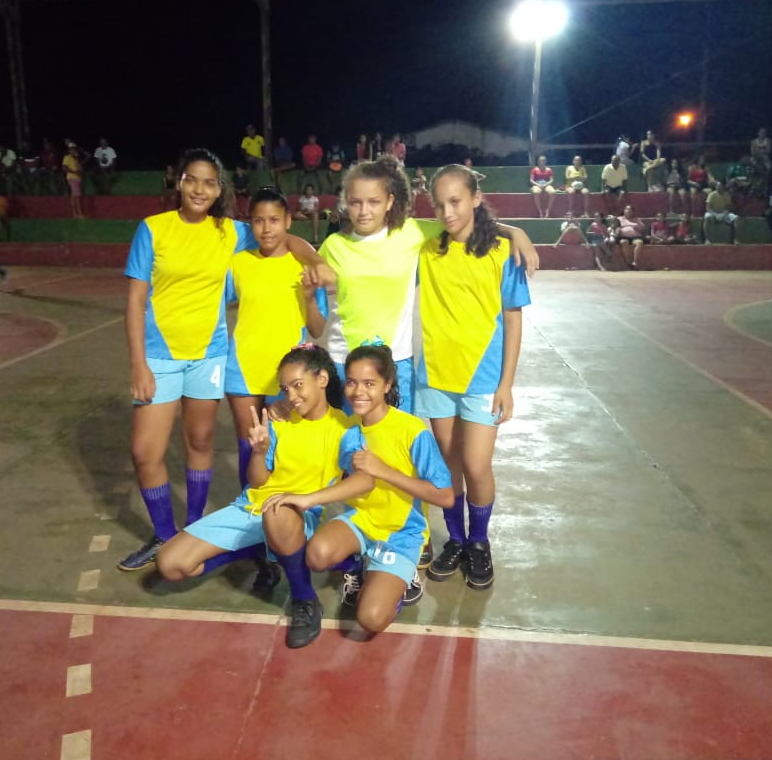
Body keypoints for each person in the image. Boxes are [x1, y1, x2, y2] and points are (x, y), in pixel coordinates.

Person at [118, 148, 324, 573]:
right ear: (179, 182)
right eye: (192, 180)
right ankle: (164, 534)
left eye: (209, 182)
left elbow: (283, 237)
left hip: (209, 356)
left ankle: (194, 528)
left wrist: (318, 262)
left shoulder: (231, 231)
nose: (200, 189)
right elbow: (135, 300)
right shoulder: (153, 229)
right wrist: (138, 363)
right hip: (159, 355)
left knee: (200, 442)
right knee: (144, 451)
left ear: (219, 189)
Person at [157, 345, 371, 649]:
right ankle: (262, 551)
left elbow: (363, 480)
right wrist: (258, 451)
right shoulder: (278, 421)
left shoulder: (345, 428)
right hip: (250, 508)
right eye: (286, 389)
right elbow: (258, 481)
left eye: (298, 385)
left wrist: (309, 499)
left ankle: (304, 598)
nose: (291, 396)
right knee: (171, 564)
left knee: (277, 510)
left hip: (295, 515)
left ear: (322, 379)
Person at [314, 156, 539, 416]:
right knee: (348, 438)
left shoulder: (412, 233)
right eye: (355, 202)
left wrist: (515, 232)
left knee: (397, 437)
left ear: (389, 201)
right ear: (345, 202)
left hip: (395, 361)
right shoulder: (333, 246)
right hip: (345, 360)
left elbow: (462, 222)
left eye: (374, 201)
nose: (364, 211)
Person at [417, 164, 529, 589]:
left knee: (477, 465)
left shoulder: (503, 252)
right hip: (436, 376)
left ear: (476, 199)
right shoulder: (428, 248)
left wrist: (506, 384)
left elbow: (513, 320)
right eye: (439, 204)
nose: (447, 212)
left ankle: (479, 541)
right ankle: (457, 539)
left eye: (456, 202)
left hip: (483, 379)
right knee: (449, 465)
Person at [301, 345, 453, 632]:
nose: (358, 391)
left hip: (401, 533)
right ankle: (360, 564)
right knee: (316, 554)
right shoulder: (349, 431)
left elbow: (445, 496)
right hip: (362, 521)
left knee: (370, 618)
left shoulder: (412, 430)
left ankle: (400, 578)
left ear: (387, 385)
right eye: (352, 382)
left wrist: (384, 471)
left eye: (369, 383)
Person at [225, 187, 328, 488]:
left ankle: (284, 510)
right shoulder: (238, 263)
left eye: (274, 220)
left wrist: (309, 298)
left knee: (284, 450)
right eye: (258, 221)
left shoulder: (304, 267)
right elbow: (215, 304)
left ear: (287, 222)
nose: (266, 228)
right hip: (242, 368)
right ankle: (250, 508)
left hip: (288, 376)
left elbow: (317, 329)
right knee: (250, 446)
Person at [62, 142, 84, 218]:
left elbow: (80, 169)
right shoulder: (67, 157)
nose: (73, 151)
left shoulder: (75, 158)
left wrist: (79, 170)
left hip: (77, 178)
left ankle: (75, 214)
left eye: (74, 149)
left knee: (74, 196)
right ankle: (79, 214)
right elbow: (64, 168)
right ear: (69, 150)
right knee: (77, 196)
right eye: (71, 149)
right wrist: (75, 172)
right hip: (72, 178)